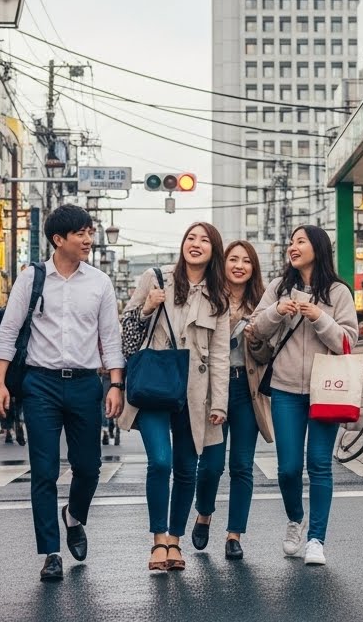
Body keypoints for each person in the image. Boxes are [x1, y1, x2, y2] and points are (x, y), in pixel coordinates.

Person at [0, 205, 124, 582]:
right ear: (58, 239)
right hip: (40, 384)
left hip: (85, 383)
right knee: (44, 472)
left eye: (90, 232)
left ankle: (75, 516)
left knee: (89, 467)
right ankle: (50, 552)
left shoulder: (100, 283)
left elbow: (110, 338)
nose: (88, 240)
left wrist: (115, 384)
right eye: (80, 233)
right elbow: (8, 331)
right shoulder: (31, 279)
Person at [119, 222, 231, 572]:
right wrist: (148, 308)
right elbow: (125, 328)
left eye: (205, 241)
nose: (196, 244)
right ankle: (157, 540)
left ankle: (175, 542)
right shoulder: (155, 278)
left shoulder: (219, 295)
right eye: (191, 238)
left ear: (214, 251)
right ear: (182, 244)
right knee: (161, 462)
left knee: (187, 468)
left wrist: (219, 403)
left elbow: (221, 355)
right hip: (155, 383)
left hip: (195, 391)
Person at [251, 225, 358, 567]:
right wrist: (276, 311)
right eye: (291, 241)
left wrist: (319, 317)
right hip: (284, 389)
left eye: (301, 241)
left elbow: (347, 342)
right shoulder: (279, 288)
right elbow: (255, 329)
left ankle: (316, 539)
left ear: (318, 247)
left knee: (320, 465)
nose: (293, 247)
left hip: (326, 390)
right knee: (288, 469)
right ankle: (296, 519)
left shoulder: (339, 292)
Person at [192, 240, 272, 560]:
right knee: (211, 465)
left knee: (241, 465)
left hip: (246, 391)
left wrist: (257, 338)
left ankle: (234, 534)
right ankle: (204, 514)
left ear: (253, 268)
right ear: (223, 264)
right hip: (214, 390)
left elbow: (268, 355)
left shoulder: (262, 303)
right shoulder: (208, 298)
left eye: (246, 261)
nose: (239, 265)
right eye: (233, 259)